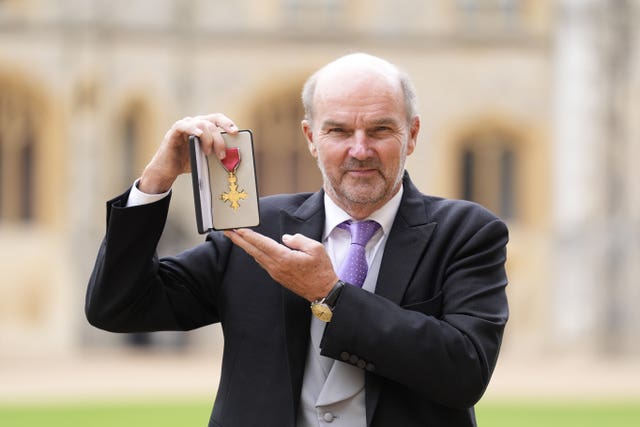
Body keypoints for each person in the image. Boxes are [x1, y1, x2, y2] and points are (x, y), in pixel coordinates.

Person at [86, 53, 509, 427]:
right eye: (339, 131)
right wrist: (156, 181)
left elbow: (466, 372)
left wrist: (331, 295)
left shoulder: (468, 233)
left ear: (412, 134)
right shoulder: (255, 228)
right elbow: (117, 307)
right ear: (310, 137)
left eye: (379, 130)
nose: (359, 150)